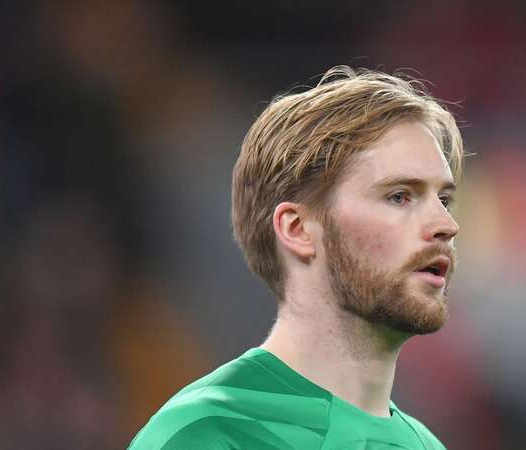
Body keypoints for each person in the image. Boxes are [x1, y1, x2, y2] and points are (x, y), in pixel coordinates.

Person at [129, 65, 464, 449]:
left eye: (444, 199)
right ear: (297, 229)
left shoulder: (424, 445)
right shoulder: (208, 433)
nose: (447, 224)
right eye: (399, 196)